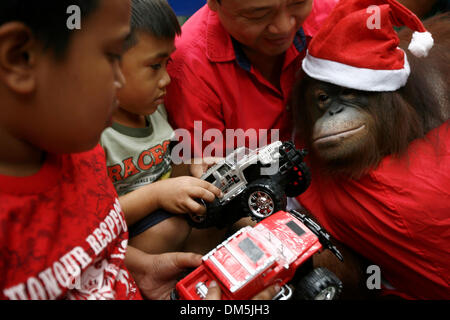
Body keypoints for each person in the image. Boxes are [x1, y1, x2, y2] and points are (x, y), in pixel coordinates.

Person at [0, 0, 277, 301]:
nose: (118, 81)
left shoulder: (81, 156)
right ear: (20, 58)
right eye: (109, 56)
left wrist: (142, 268)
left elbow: (95, 240)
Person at [100, 0, 222, 255]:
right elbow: (97, 218)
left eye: (167, 64)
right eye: (154, 66)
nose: (166, 78)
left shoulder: (154, 109)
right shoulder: (96, 135)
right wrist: (156, 195)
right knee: (170, 230)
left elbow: (166, 168)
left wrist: (192, 167)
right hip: (128, 238)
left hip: (168, 216)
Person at [165, 0, 339, 158]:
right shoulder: (188, 68)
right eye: (258, 15)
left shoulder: (337, 14)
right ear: (214, 3)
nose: (284, 27)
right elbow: (212, 177)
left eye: (298, 4)